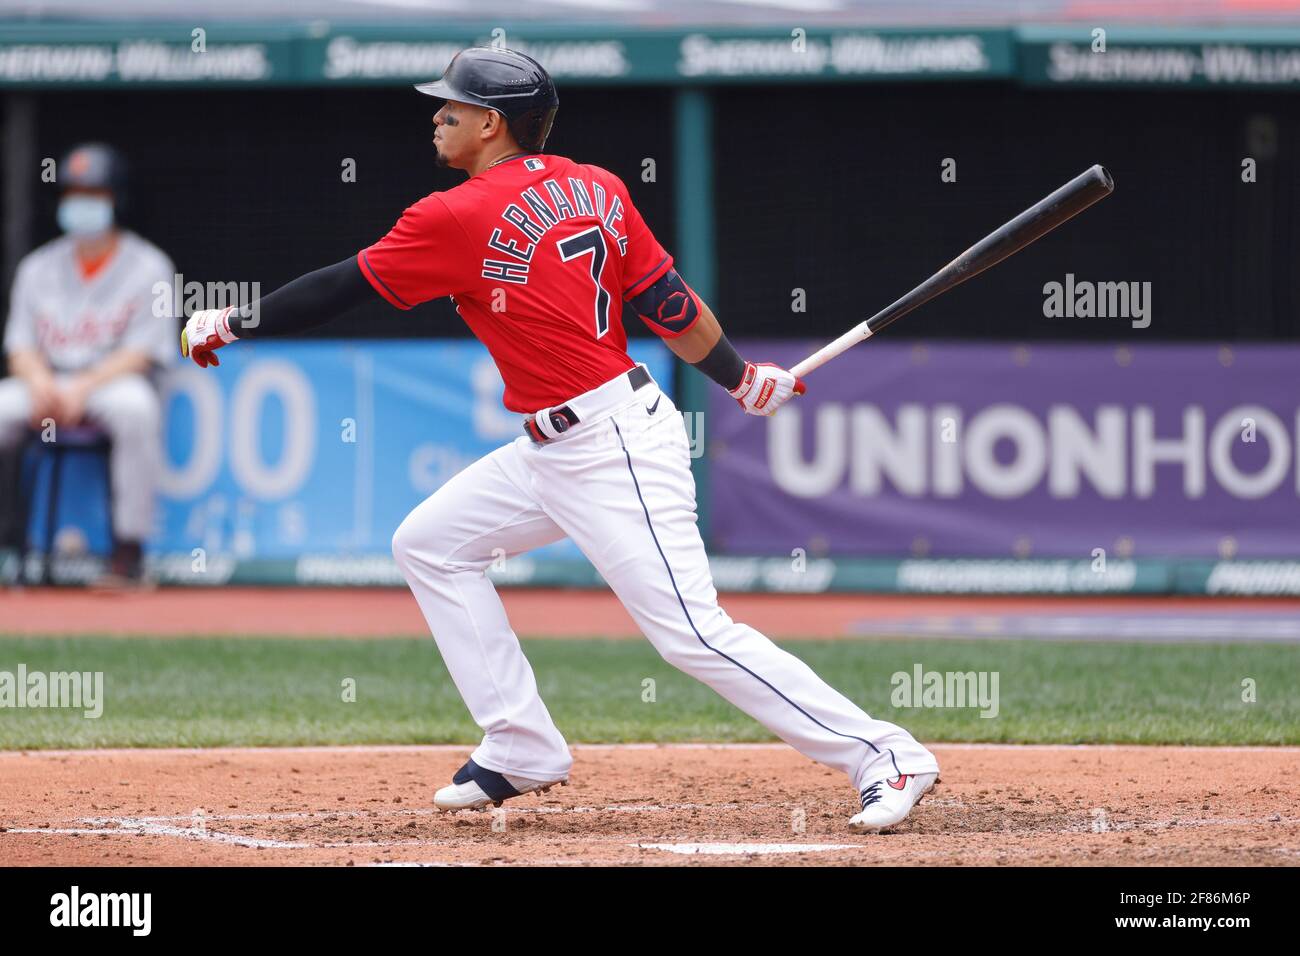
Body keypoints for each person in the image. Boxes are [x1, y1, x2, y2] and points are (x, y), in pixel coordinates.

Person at [181, 47, 939, 831]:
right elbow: (669, 306)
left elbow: (343, 285)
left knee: (691, 633)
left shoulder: (455, 213)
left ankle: (883, 753)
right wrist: (739, 376)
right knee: (431, 544)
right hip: (557, 444)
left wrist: (235, 320)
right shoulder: (597, 185)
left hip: (612, 446)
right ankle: (520, 743)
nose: (437, 117)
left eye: (452, 106)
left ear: (491, 122)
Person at [0, 143, 176, 587]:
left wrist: (81, 387)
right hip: (47, 381)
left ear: (115, 197)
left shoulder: (150, 265)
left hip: (109, 382)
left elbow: (143, 353)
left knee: (137, 409)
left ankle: (128, 554)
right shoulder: (37, 267)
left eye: (93, 192)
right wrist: (40, 381)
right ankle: (6, 544)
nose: (81, 202)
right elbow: (19, 346)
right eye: (73, 192)